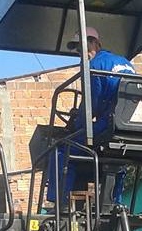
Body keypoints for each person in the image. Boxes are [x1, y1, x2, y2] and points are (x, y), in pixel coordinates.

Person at [46, 27, 135, 205]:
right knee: (117, 157)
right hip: (133, 127)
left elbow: (91, 106)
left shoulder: (95, 66)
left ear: (95, 43)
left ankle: (60, 205)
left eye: (83, 47)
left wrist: (77, 123)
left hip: (111, 124)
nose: (81, 53)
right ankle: (115, 203)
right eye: (79, 50)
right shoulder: (127, 63)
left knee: (61, 150)